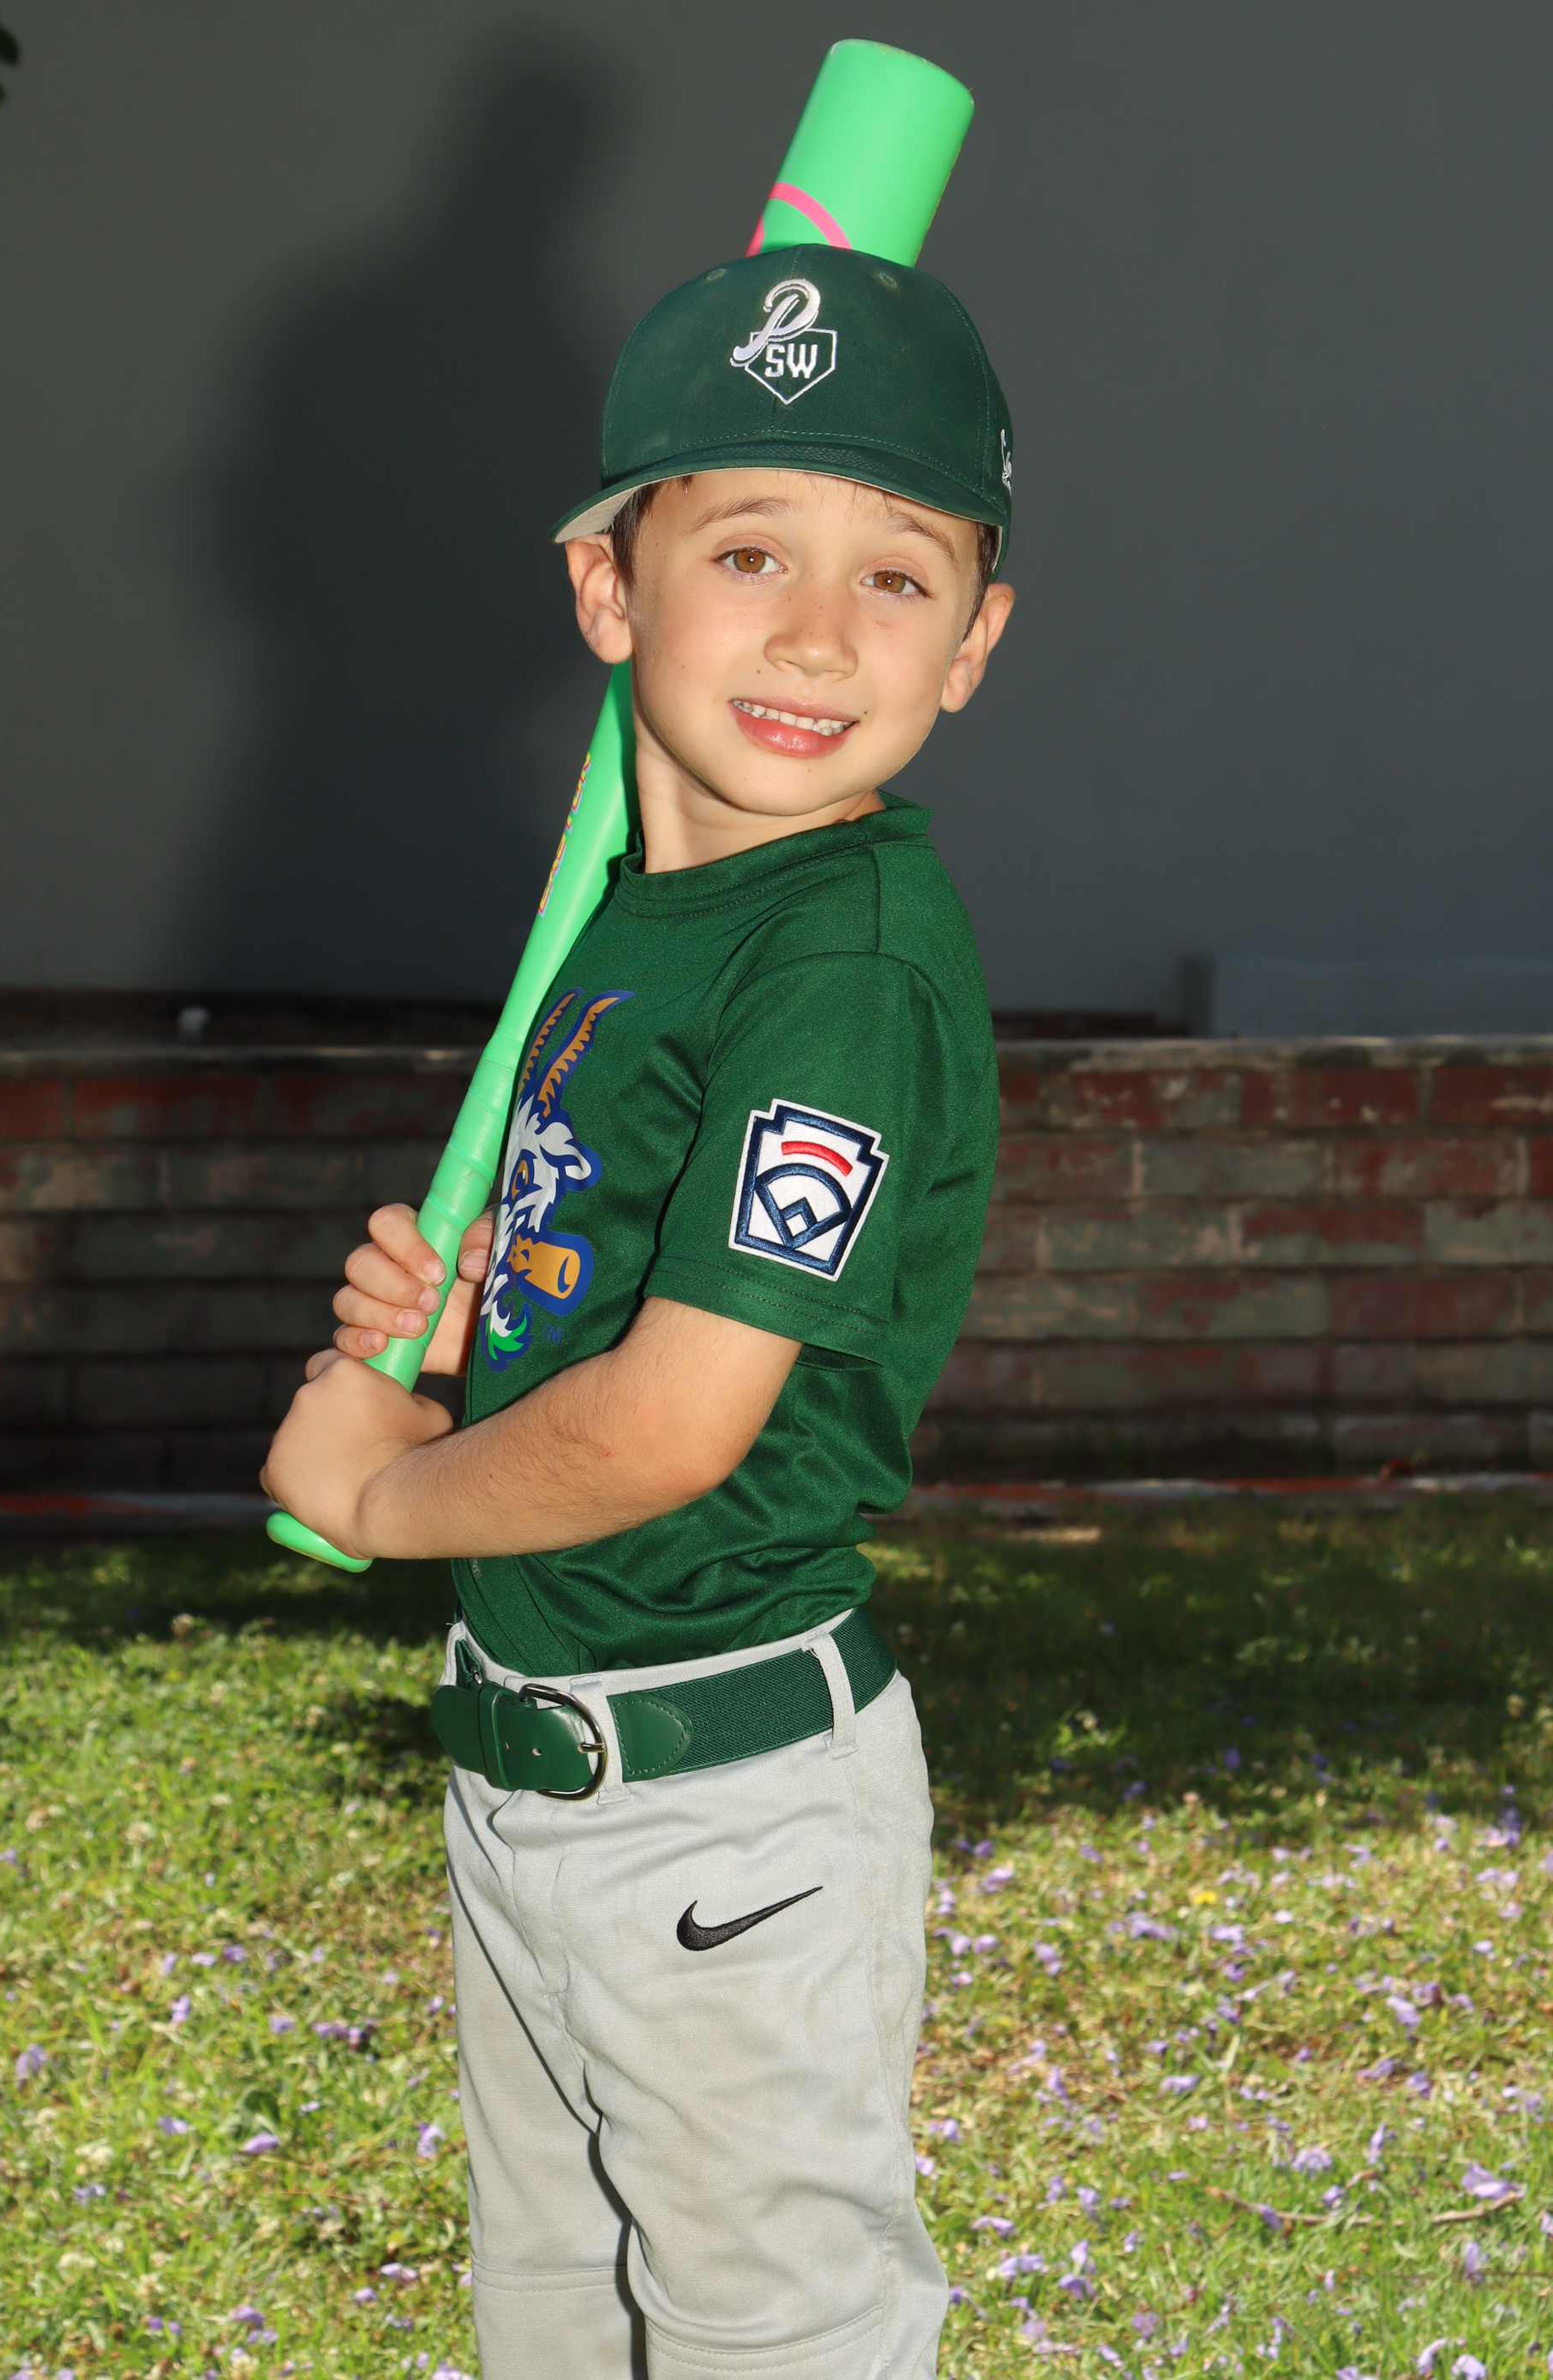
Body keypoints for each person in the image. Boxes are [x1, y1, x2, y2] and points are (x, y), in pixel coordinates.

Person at [262, 243, 1015, 2380]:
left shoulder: (839, 961)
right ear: (608, 585)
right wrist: (468, 1324)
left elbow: (674, 1420)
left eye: (896, 575)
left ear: (974, 642)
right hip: (544, 1752)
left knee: (766, 2334)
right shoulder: (647, 909)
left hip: (719, 1801)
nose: (816, 630)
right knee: (564, 2320)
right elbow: (596, 1288)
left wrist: (389, 1488)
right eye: (749, 548)